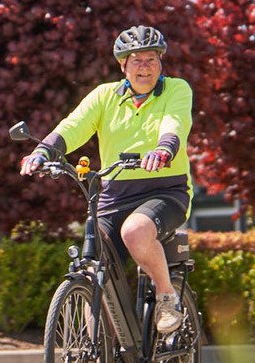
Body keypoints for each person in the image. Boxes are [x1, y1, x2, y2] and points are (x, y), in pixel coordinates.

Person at [20, 25, 194, 335]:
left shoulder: (176, 89)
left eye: (151, 59)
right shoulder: (104, 96)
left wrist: (164, 149)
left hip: (166, 190)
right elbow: (74, 125)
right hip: (115, 195)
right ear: (123, 65)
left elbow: (175, 123)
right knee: (95, 267)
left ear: (161, 62)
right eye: (136, 60)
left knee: (135, 231)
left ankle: (167, 297)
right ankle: (99, 355)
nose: (145, 67)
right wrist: (43, 151)